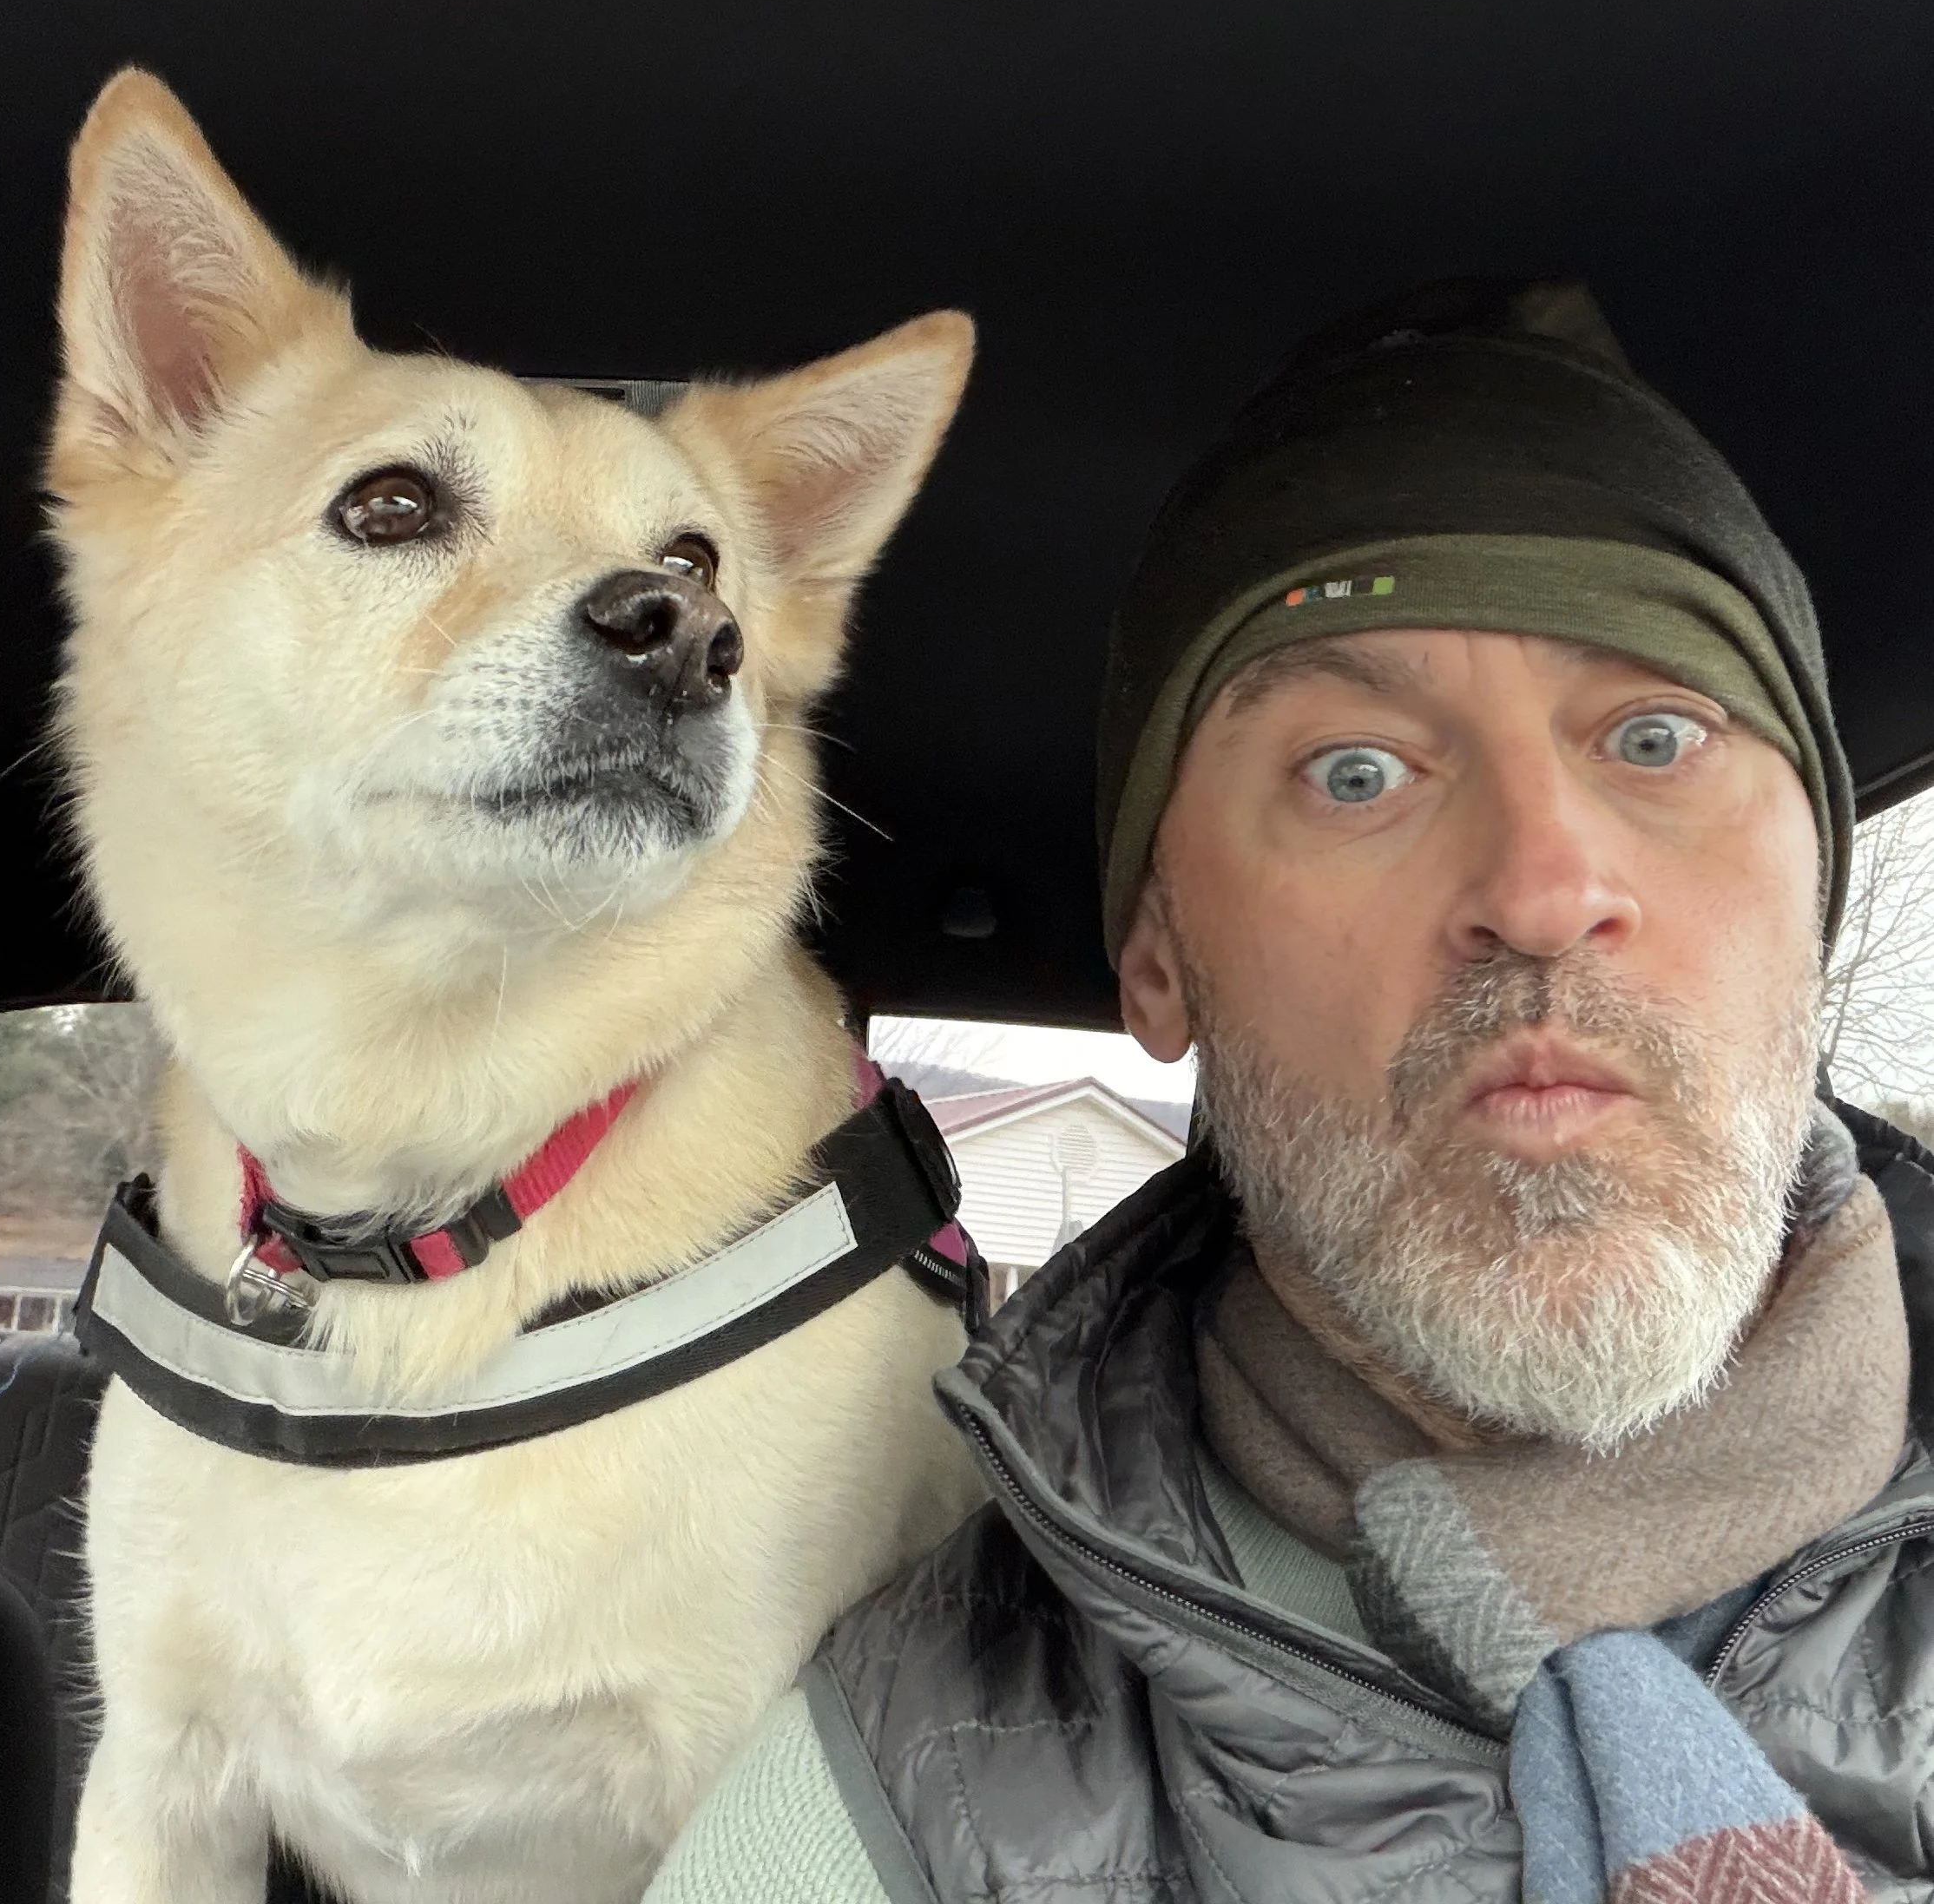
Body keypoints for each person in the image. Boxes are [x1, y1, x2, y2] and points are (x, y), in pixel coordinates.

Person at [646, 278, 1933, 1904]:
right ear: (1163, 961)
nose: (1543, 884)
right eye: (1357, 773)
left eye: (1660, 736)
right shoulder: (891, 1798)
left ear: (1813, 896)